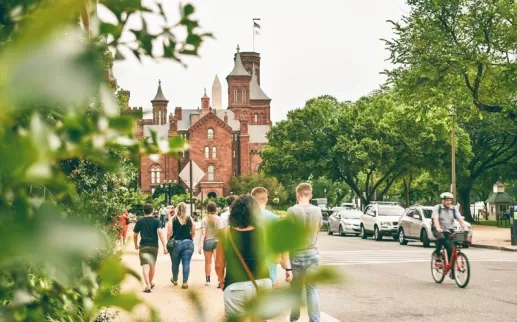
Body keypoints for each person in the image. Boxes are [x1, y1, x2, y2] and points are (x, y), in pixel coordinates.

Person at [215, 195, 278, 321]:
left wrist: (222, 281)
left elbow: (219, 264)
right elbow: (275, 259)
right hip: (261, 283)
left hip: (234, 285)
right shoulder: (265, 231)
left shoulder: (225, 233)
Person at [287, 183, 322, 322]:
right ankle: (314, 320)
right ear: (310, 195)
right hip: (313, 253)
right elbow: (318, 227)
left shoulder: (292, 211)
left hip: (296, 254)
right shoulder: (317, 210)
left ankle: (294, 318)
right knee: (312, 289)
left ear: (298, 195)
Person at [250, 186, 292, 288]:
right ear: (266, 199)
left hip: (248, 273)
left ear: (252, 200)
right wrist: (288, 268)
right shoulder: (273, 218)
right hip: (268, 273)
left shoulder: (245, 217)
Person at [133, 203, 168, 293]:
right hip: (154, 246)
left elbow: (135, 234)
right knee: (152, 266)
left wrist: (136, 244)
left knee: (145, 267)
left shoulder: (140, 222)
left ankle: (148, 285)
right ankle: (150, 283)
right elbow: (160, 233)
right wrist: (164, 246)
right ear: (152, 211)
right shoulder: (156, 221)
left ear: (144, 211)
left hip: (143, 246)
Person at [167, 202, 195, 289]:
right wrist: (190, 240)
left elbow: (169, 233)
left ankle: (175, 279)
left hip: (176, 243)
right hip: (188, 242)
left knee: (175, 263)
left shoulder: (173, 219)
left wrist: (168, 243)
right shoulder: (190, 219)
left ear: (177, 209)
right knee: (186, 263)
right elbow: (193, 232)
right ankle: (185, 282)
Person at [433, 192, 466, 265]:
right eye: (447, 200)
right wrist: (438, 228)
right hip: (439, 229)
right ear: (442, 201)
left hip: (449, 230)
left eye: (450, 200)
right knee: (441, 238)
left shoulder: (454, 208)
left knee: (451, 248)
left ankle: (452, 269)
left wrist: (463, 225)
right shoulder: (437, 208)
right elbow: (435, 219)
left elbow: (459, 217)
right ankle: (437, 254)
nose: (448, 202)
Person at [198, 202, 222, 286]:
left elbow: (203, 234)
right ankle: (219, 279)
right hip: (217, 242)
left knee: (208, 262)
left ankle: (207, 280)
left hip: (207, 242)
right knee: (217, 262)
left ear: (207, 209)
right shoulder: (219, 219)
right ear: (216, 209)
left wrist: (199, 246)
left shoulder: (204, 220)